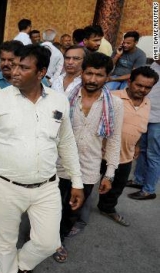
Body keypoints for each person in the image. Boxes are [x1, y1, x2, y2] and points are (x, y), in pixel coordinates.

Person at [0, 45, 84, 273]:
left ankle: (23, 265)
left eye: (23, 67)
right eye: (14, 65)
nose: (14, 71)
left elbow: (66, 143)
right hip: (6, 186)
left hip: (46, 186)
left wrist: (77, 181)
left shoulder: (58, 101)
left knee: (48, 241)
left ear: (41, 72)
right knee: (5, 239)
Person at [54, 52, 123, 262]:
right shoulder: (65, 100)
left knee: (72, 209)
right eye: (89, 73)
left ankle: (59, 240)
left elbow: (113, 140)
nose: (93, 79)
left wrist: (109, 174)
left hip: (88, 167)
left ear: (107, 77)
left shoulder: (115, 105)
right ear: (82, 73)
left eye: (99, 75)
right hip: (58, 164)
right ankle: (42, 237)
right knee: (49, 205)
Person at [97, 67, 157, 225]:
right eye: (139, 85)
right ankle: (74, 215)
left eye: (148, 87)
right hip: (100, 154)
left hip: (125, 156)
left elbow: (140, 126)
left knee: (117, 186)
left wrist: (137, 145)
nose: (143, 90)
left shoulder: (147, 103)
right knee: (86, 185)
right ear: (129, 82)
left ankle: (107, 208)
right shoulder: (112, 97)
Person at [127, 59, 160, 200]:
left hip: (158, 120)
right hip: (146, 115)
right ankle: (138, 180)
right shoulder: (152, 67)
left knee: (153, 155)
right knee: (142, 150)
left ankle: (149, 189)